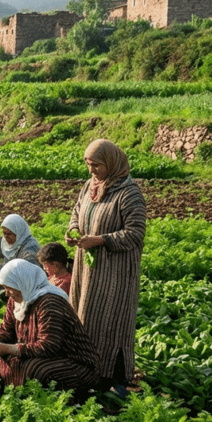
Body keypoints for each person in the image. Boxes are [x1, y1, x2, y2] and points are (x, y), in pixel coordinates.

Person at [65, 139, 146, 397]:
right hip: (88, 270)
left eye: (96, 165)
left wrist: (100, 240)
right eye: (88, 165)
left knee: (110, 321)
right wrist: (73, 230)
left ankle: (114, 375)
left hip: (115, 273)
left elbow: (135, 233)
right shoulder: (90, 186)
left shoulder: (128, 193)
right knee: (85, 316)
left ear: (110, 163)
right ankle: (89, 369)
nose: (91, 171)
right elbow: (77, 212)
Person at [0, 259, 100, 391]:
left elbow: (49, 347)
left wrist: (8, 348)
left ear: (22, 284)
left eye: (9, 288)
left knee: (35, 370)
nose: (6, 293)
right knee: (1, 361)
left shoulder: (49, 303)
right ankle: (19, 393)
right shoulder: (16, 300)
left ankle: (65, 399)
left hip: (75, 362)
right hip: (42, 356)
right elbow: (6, 330)